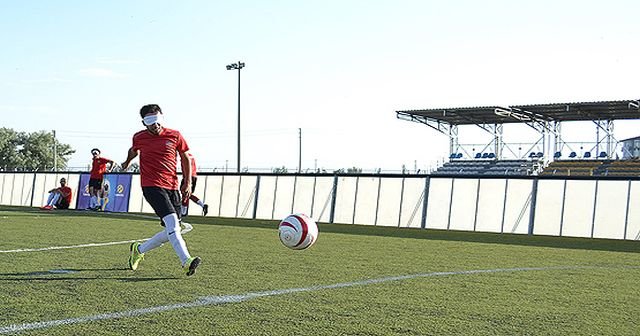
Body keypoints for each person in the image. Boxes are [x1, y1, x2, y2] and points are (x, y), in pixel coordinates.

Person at [121, 104, 201, 276]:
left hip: (172, 186)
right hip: (151, 185)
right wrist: (127, 162)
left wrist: (187, 182)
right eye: (150, 121)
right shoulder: (139, 137)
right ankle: (186, 261)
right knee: (172, 222)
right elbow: (133, 150)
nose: (155, 124)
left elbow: (185, 156)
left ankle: (139, 249)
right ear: (144, 122)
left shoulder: (175, 135)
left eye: (157, 120)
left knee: (173, 229)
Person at [180, 152, 209, 217]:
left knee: (185, 193)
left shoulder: (184, 157)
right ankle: (203, 205)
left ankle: (183, 212)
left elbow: (185, 167)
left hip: (188, 177)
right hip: (194, 176)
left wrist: (186, 179)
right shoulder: (191, 156)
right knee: (188, 194)